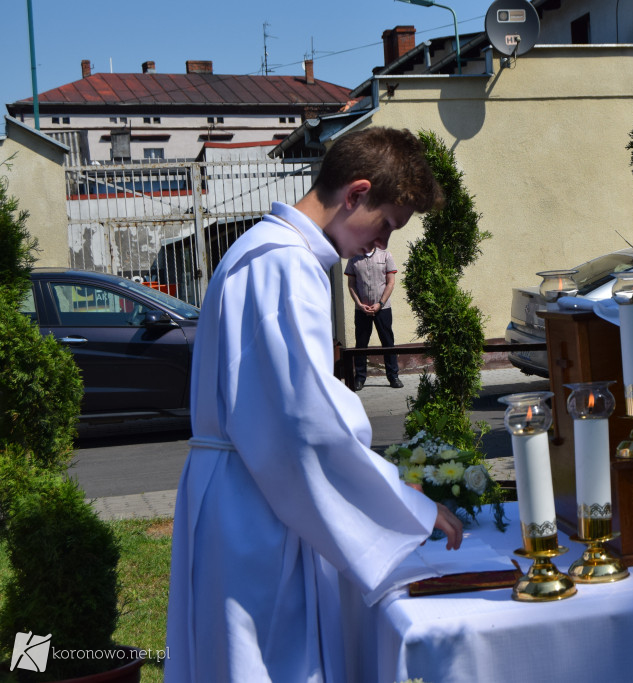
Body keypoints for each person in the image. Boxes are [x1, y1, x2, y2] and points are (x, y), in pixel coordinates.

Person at [165, 127, 461, 683]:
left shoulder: (262, 250)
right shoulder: (284, 264)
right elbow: (305, 425)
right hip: (255, 506)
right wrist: (405, 506)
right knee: (270, 663)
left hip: (243, 488)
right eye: (386, 226)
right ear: (356, 193)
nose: (381, 248)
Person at [345, 247, 403, 390]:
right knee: (361, 344)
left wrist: (380, 303)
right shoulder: (353, 258)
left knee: (388, 342)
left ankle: (393, 376)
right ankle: (359, 378)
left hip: (382, 308)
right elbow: (351, 284)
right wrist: (359, 304)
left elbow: (390, 282)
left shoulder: (385, 256)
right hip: (362, 309)